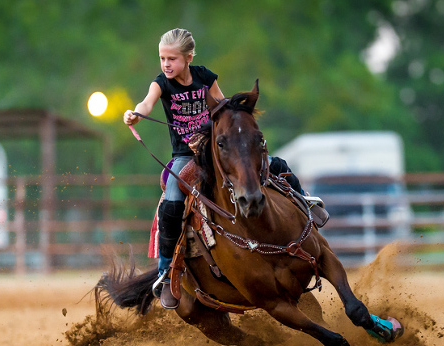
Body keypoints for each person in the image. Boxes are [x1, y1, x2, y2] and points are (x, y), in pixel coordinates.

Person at [124, 28, 327, 310]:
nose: (166, 64)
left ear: (188, 57)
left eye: (172, 59)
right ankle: (167, 271)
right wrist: (135, 113)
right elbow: (147, 103)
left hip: (217, 149)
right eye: (162, 58)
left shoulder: (206, 77)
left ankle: (304, 201)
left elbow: (222, 106)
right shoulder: (161, 84)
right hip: (187, 156)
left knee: (276, 164)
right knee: (171, 202)